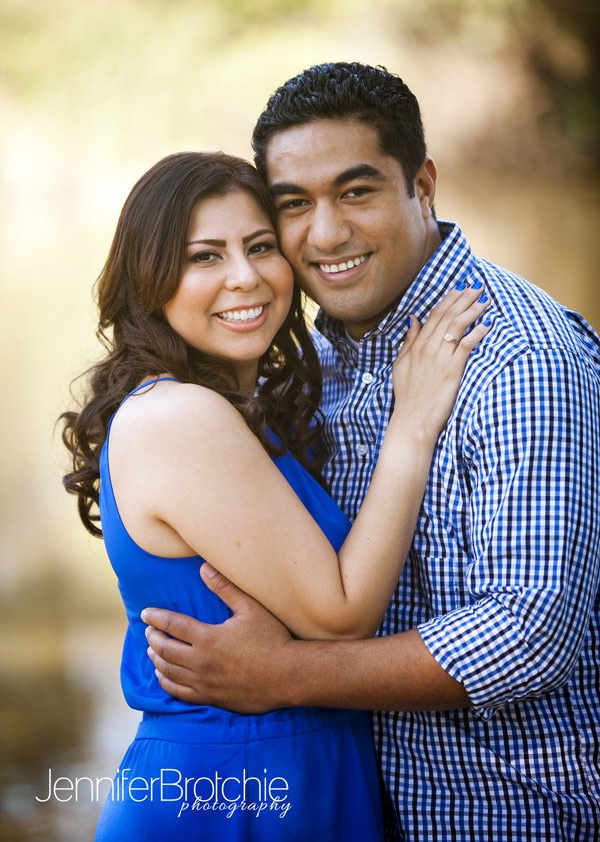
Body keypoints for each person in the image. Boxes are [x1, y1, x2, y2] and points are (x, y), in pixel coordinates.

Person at [142, 63, 600, 842]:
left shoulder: (519, 359)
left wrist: (283, 676)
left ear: (422, 184)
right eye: (293, 205)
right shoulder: (314, 367)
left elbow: (527, 635)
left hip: (511, 814)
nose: (325, 234)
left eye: (356, 192)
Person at [61, 150, 491, 841]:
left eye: (261, 246)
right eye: (205, 257)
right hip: (229, 789)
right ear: (151, 280)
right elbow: (341, 613)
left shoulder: (239, 408)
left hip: (294, 771)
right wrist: (411, 426)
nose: (245, 277)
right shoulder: (178, 417)